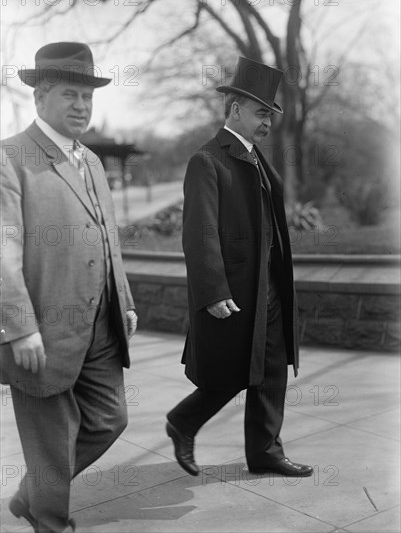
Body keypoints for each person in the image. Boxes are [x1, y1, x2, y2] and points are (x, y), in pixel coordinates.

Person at [0, 42, 138, 532]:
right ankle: (49, 520)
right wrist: (19, 328)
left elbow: (108, 237)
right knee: (50, 440)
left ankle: (30, 495)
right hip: (42, 331)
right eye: (69, 95)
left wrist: (123, 300)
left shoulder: (93, 162)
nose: (81, 105)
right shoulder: (10, 157)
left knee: (110, 419)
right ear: (39, 98)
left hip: (101, 325)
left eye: (88, 96)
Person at [166, 56, 312, 478]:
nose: (267, 122)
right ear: (235, 110)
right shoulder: (207, 160)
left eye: (270, 114)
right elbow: (199, 233)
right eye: (261, 112)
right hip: (234, 290)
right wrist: (213, 290)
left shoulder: (257, 159)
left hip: (269, 287)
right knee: (229, 371)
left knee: (271, 369)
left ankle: (265, 450)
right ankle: (183, 422)